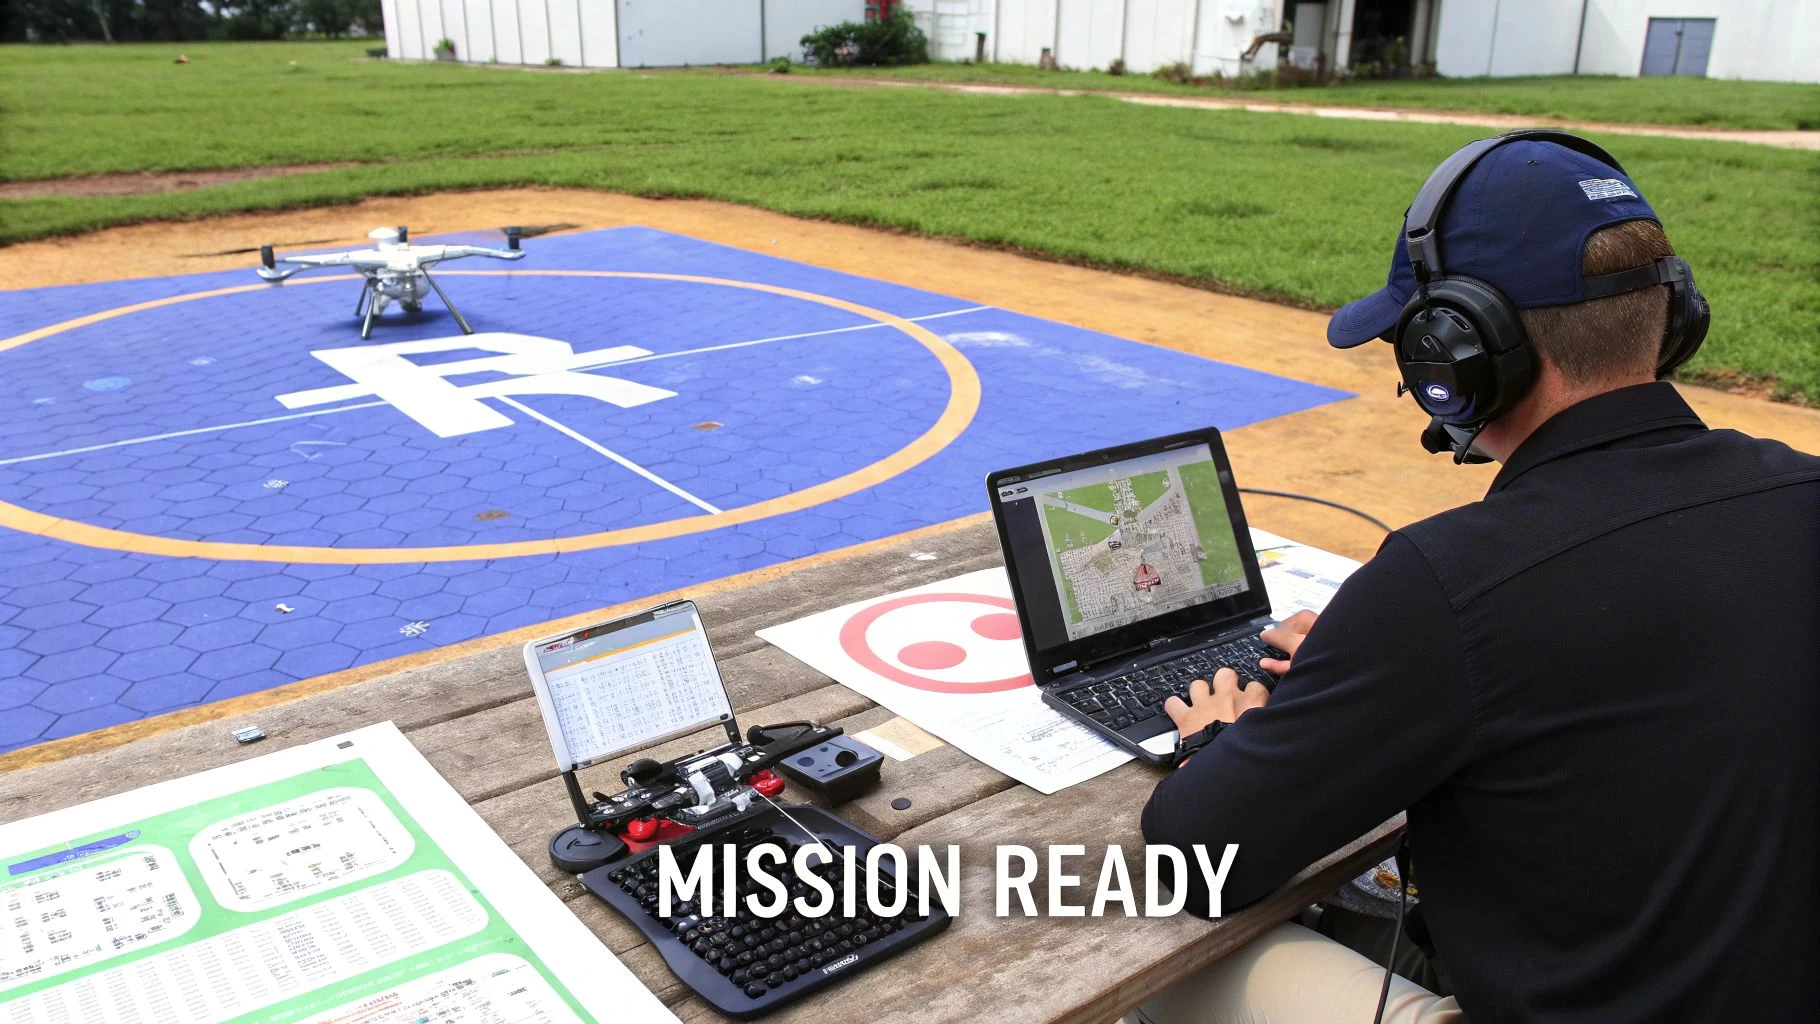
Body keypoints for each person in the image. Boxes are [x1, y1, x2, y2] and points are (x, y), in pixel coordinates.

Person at [1133, 132, 1820, 1023]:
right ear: (1674, 314)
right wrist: (1371, 657)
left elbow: (1197, 862)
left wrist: (1220, 739)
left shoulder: (1447, 582)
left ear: (1456, 354)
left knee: (1174, 971)